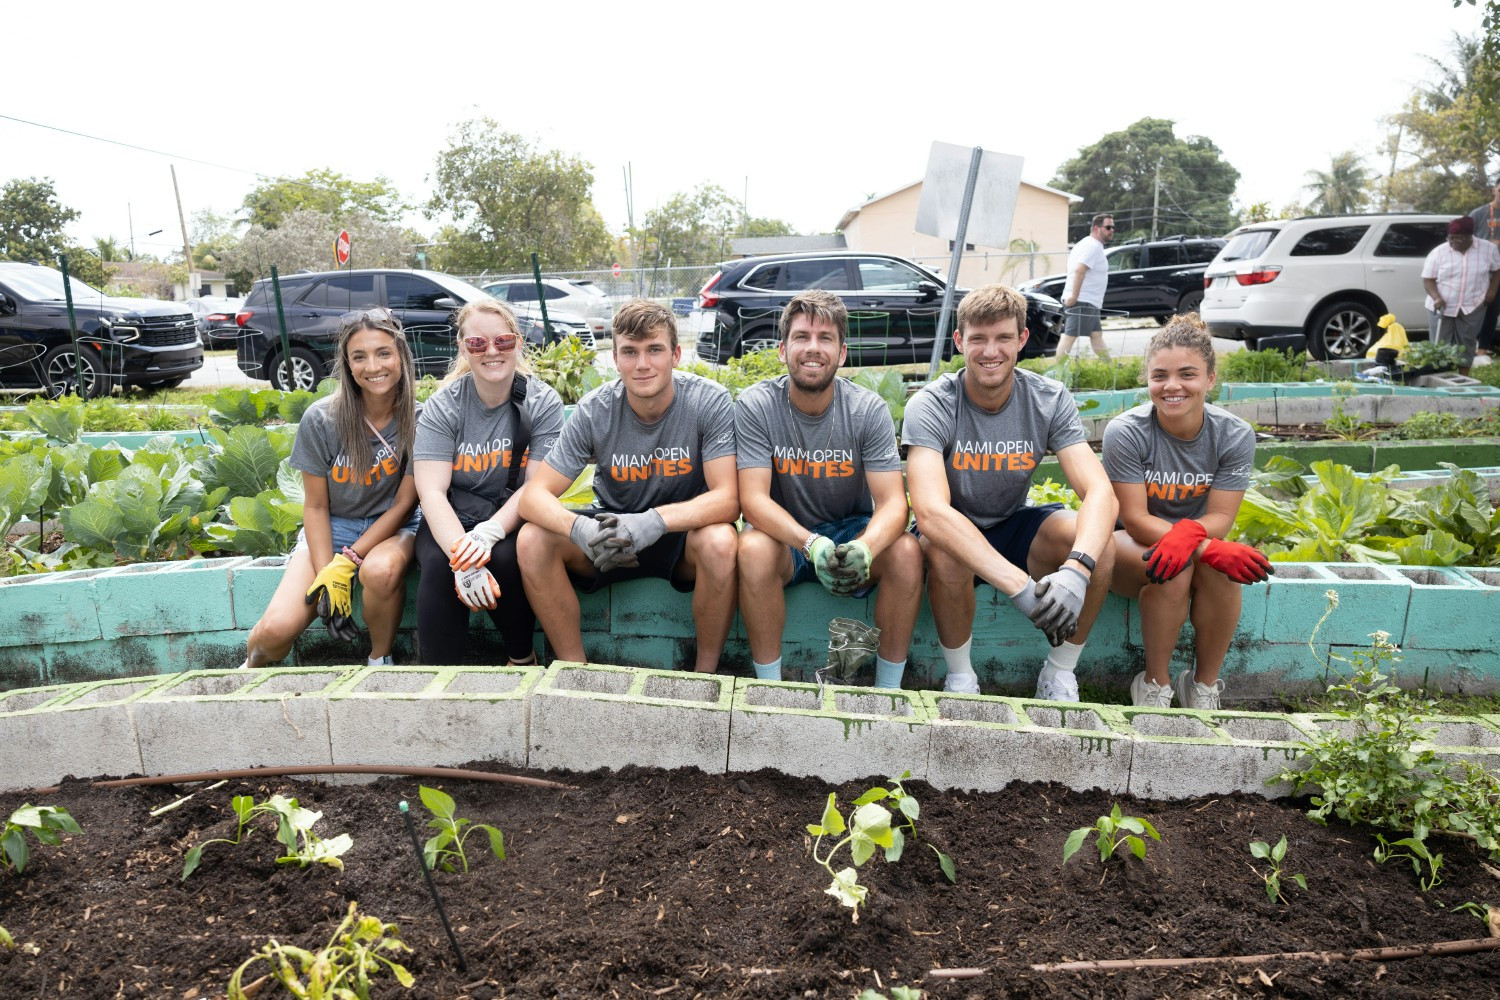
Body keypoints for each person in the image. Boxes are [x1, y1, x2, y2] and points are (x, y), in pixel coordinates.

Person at [905, 283, 1117, 700]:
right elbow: (930, 511)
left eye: (1003, 337)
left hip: (1013, 524)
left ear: (1022, 339)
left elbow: (1099, 491)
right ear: (959, 341)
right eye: (978, 339)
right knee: (943, 546)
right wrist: (1020, 588)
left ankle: (1059, 673)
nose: (990, 351)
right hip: (953, 528)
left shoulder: (1048, 399)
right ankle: (961, 680)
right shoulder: (931, 404)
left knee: (1099, 546)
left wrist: (1077, 570)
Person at [517, 299, 738, 672]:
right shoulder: (594, 409)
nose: (642, 364)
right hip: (609, 541)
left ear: (676, 354)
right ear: (615, 359)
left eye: (654, 349)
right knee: (531, 540)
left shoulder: (708, 401)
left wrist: (652, 522)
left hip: (679, 538)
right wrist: (582, 529)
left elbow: (729, 499)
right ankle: (576, 674)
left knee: (721, 541)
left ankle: (705, 676)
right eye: (630, 352)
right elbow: (533, 497)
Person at [735, 290, 923, 688]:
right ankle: (769, 688)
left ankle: (888, 692)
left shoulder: (866, 409)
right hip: (785, 534)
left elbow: (893, 503)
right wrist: (810, 543)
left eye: (825, 338)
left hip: (850, 529)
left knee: (906, 552)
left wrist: (867, 547)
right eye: (802, 337)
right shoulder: (756, 405)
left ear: (842, 353)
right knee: (750, 548)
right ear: (783, 349)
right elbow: (752, 500)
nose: (813, 348)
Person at [1103, 315, 1272, 710]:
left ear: (1210, 379)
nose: (1172, 386)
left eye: (1187, 374)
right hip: (1128, 543)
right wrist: (1202, 546)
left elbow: (1222, 517)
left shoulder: (1233, 435)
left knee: (1225, 572)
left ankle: (1202, 686)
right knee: (1173, 568)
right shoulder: (1126, 432)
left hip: (1193, 538)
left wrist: (1194, 539)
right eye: (1159, 375)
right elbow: (1134, 518)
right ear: (1148, 379)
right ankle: (1154, 684)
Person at [244, 308, 420, 669]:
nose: (373, 366)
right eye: (360, 356)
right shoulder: (322, 419)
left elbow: (404, 504)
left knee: (381, 571)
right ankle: (249, 669)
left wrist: (348, 561)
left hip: (395, 527)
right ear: (347, 364)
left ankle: (379, 661)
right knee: (275, 631)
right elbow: (316, 508)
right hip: (333, 524)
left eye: (383, 353)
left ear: (401, 356)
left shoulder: (419, 419)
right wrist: (328, 575)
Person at [412, 298, 564, 665]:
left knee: (509, 558)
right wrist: (464, 558)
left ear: (518, 343)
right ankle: (439, 679)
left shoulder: (541, 402)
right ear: (464, 348)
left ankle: (520, 658)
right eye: (478, 343)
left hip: (509, 514)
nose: (492, 351)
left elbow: (536, 486)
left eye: (504, 341)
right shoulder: (444, 405)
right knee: (438, 565)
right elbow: (431, 491)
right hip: (452, 515)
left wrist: (489, 534)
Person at [1422, 215, 1500, 376]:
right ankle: (1442, 378)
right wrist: (1436, 297)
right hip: (1441, 305)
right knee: (1441, 345)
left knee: (1467, 342)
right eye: (1451, 238)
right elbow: (1428, 279)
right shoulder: (1439, 253)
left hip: (1473, 304)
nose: (1453, 242)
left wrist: (1492, 292)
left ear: (1470, 237)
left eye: (1459, 238)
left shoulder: (1488, 249)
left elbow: (1497, 270)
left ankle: (1463, 378)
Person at [1055, 213, 1115, 362]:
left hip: (1089, 302)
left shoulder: (1091, 245)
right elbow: (1079, 270)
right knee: (1069, 337)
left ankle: (1110, 368)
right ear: (1096, 228)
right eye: (1108, 227)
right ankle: (1056, 374)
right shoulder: (1092, 246)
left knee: (1096, 336)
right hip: (1082, 301)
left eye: (1113, 227)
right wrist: (1075, 297)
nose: (1112, 230)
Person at [1467, 179, 1500, 358]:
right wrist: (1486, 244)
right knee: (1478, 309)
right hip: (1482, 270)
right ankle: (1471, 346)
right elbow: (1463, 238)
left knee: (1494, 311)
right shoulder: (1479, 214)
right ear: (1494, 190)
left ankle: (1483, 349)